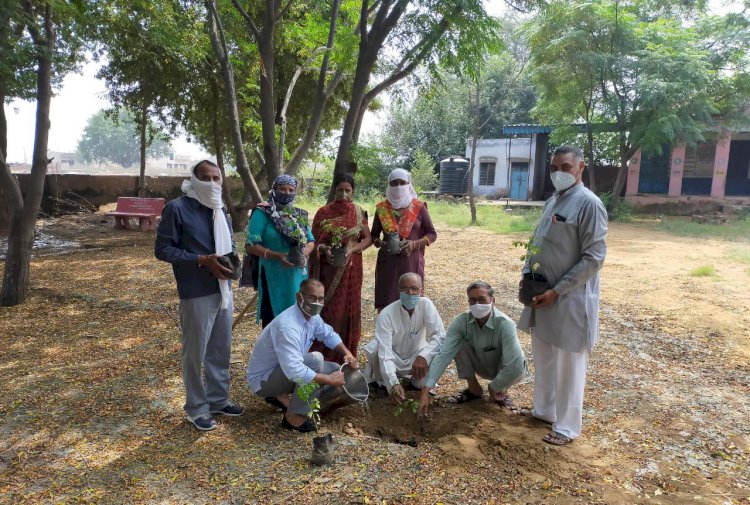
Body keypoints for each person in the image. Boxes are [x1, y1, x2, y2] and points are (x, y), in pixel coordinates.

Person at [517, 145, 608, 446]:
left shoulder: (589, 204)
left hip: (568, 299)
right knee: (544, 357)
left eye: (566, 167)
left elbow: (594, 257)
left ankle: (567, 427)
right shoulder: (554, 200)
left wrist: (558, 290)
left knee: (569, 364)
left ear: (581, 167)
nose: (559, 173)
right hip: (541, 294)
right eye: (554, 168)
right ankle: (545, 411)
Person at [155, 160, 245, 431]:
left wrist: (232, 265)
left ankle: (218, 399)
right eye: (206, 177)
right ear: (193, 180)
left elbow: (227, 244)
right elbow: (163, 250)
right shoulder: (177, 208)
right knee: (195, 352)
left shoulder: (220, 210)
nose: (212, 183)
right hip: (196, 291)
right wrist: (201, 260)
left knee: (220, 348)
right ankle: (196, 408)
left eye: (217, 178)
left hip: (223, 289)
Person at [246, 279, 358, 432]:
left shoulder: (312, 316)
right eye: (312, 298)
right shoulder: (288, 326)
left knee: (334, 368)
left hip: (282, 370)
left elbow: (328, 334)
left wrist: (347, 353)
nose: (317, 303)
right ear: (299, 297)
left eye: (320, 299)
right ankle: (294, 417)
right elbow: (295, 370)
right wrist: (328, 380)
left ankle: (286, 398)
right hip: (264, 380)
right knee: (316, 360)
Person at [418, 281, 527, 418]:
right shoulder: (461, 322)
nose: (477, 304)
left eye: (482, 299)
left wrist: (494, 387)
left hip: (506, 369)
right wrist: (425, 391)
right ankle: (474, 388)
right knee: (457, 343)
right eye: (472, 300)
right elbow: (444, 355)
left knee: (515, 360)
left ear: (493, 300)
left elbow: (515, 364)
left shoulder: (505, 324)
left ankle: (501, 390)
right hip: (481, 365)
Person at [308, 174, 372, 362]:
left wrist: (353, 248)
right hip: (327, 270)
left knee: (348, 310)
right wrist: (324, 249)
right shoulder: (323, 212)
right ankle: (321, 356)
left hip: (351, 270)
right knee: (327, 310)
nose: (343, 194)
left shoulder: (358, 211)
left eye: (348, 190)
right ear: (334, 191)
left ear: (353, 192)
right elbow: (313, 241)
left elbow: (367, 238)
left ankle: (346, 354)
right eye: (339, 190)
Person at [362, 273, 445, 404]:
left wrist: (424, 356)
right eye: (405, 289)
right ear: (398, 290)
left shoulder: (426, 305)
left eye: (414, 288)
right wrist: (393, 383)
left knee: (436, 351)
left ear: (421, 290)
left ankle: (416, 383)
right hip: (393, 358)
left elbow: (440, 335)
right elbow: (385, 354)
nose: (410, 293)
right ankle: (383, 384)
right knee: (377, 349)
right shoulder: (386, 314)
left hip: (416, 359)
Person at [245, 175, 315, 327]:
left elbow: (310, 240)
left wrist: (305, 252)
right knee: (274, 321)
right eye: (282, 189)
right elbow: (250, 244)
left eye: (291, 190)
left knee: (298, 318)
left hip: (297, 274)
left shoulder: (297, 215)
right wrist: (277, 255)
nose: (287, 193)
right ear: (274, 189)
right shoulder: (262, 213)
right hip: (273, 274)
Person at [371, 168, 437, 311]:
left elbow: (432, 234)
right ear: (389, 185)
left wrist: (414, 244)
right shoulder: (382, 209)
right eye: (394, 183)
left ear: (409, 184)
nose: (399, 186)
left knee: (411, 299)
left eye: (402, 182)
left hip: (411, 261)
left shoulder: (418, 207)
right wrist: (381, 243)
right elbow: (373, 235)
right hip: (387, 263)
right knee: (387, 302)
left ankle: (411, 331)